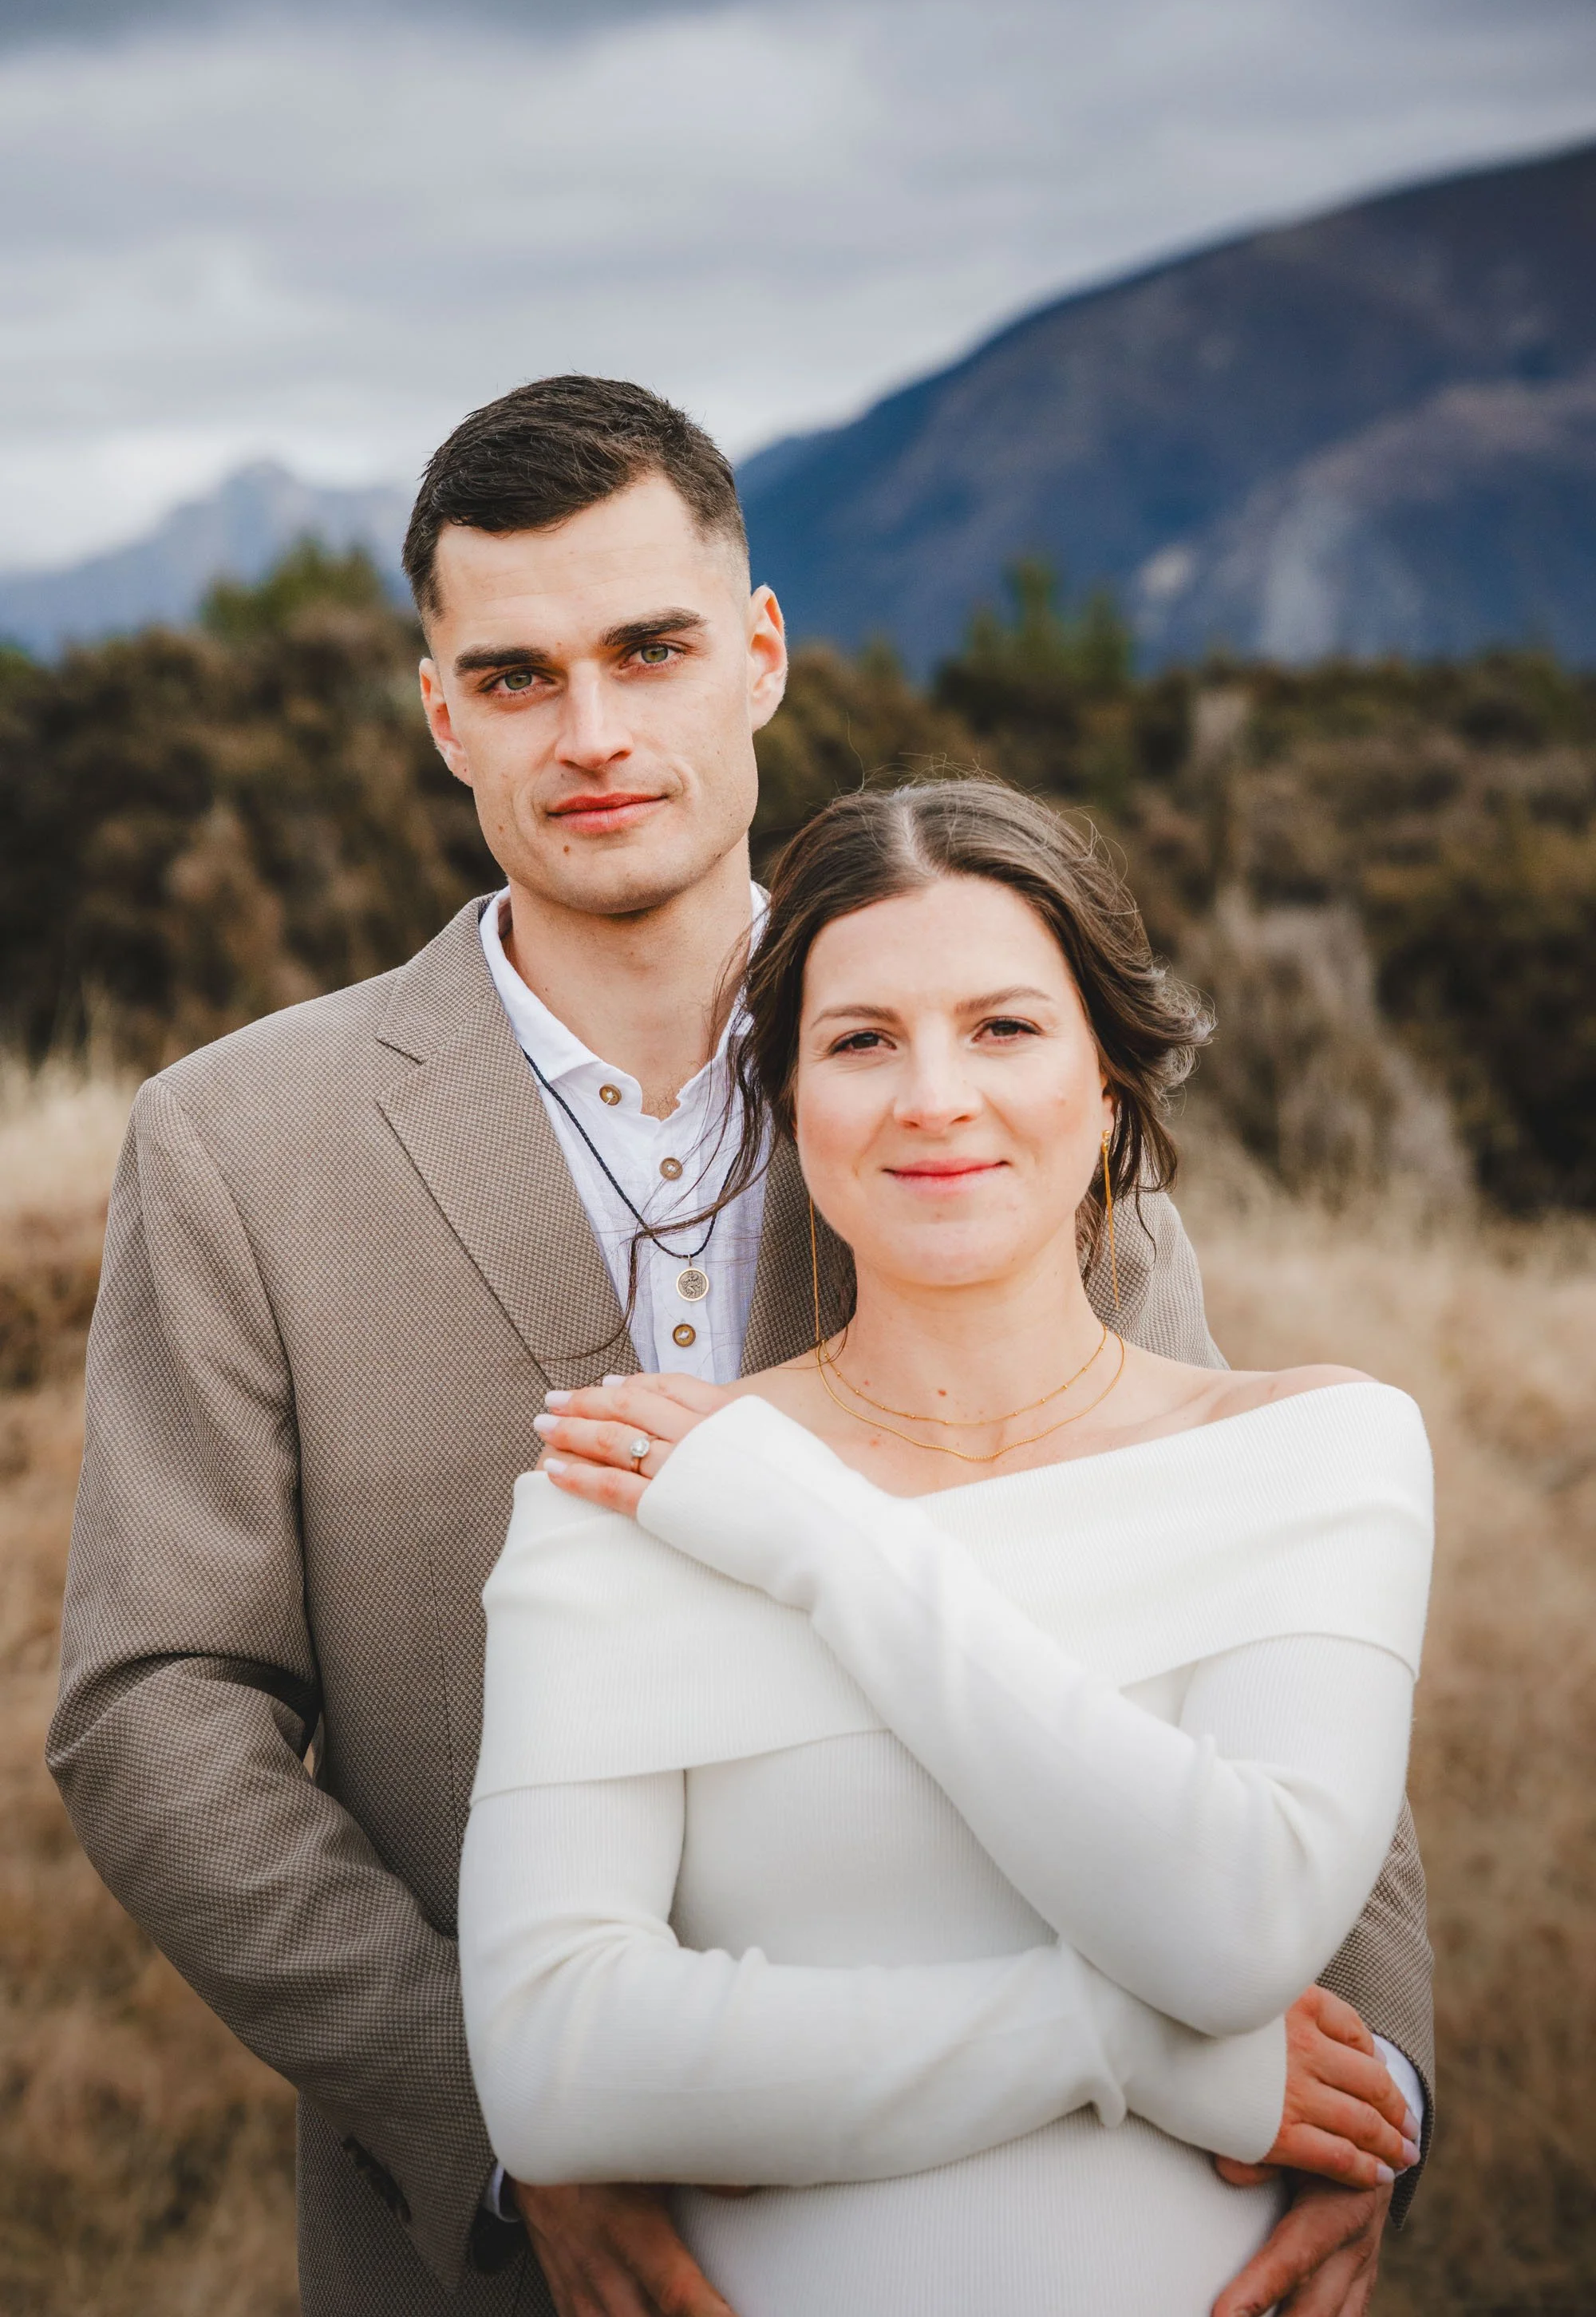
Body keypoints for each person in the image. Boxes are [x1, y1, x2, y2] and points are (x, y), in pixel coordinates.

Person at [49, 378, 1432, 2317]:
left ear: (759, 656)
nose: (594, 732)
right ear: (441, 712)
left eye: (651, 648)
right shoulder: (236, 1143)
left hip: (1069, 2203)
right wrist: (514, 2122)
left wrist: (1365, 2085)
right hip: (490, 2252)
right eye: (518, 676)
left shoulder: (987, 1111)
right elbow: (157, 1711)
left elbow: (1252, 1629)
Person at [462, 777, 1433, 2317]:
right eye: (861, 1041)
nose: (934, 1095)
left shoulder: (1318, 1453)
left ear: (1108, 1078)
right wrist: (1130, 2046)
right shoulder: (626, 1501)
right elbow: (557, 2070)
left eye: (1005, 1027)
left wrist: (823, 1538)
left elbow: (1239, 1924)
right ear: (787, 1099)